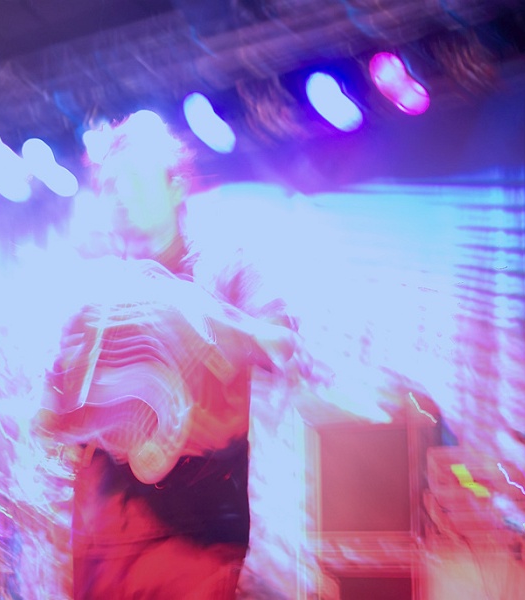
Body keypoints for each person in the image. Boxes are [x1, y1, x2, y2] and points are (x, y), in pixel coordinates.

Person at [32, 110, 320, 599]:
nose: (122, 195)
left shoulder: (227, 268)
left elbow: (284, 345)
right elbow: (48, 419)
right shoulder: (92, 296)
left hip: (195, 541)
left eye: (136, 180)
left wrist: (197, 318)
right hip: (104, 544)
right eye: (111, 185)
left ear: (176, 187)